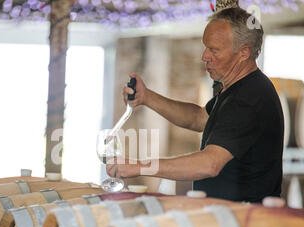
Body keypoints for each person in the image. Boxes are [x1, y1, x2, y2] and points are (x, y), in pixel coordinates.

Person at [106, 7, 284, 203]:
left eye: (214, 49)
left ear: (243, 53)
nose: (204, 56)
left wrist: (139, 166)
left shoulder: (249, 98)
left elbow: (209, 164)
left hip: (244, 223)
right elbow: (199, 118)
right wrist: (147, 97)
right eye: (205, 47)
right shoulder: (238, 89)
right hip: (228, 217)